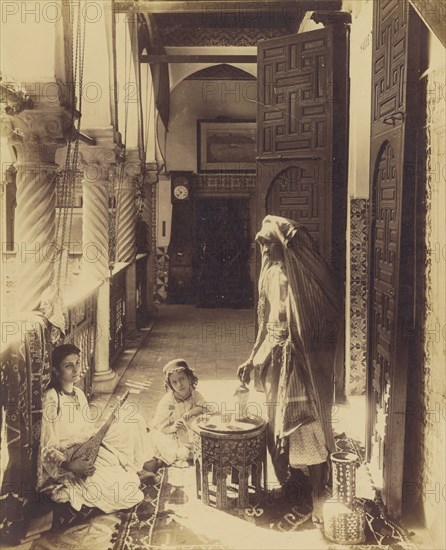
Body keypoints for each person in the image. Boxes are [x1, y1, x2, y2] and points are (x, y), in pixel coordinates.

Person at [237, 215, 344, 523]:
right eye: (260, 244)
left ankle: (316, 491)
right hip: (274, 359)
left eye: (267, 243)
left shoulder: (305, 276)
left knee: (306, 425)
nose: (262, 250)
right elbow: (264, 321)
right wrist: (252, 355)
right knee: (274, 424)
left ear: (282, 244)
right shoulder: (268, 274)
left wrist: (300, 344)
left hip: (303, 364)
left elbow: (324, 317)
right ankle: (290, 484)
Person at [37, 344, 161, 514]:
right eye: (68, 365)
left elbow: (87, 430)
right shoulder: (51, 398)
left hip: (90, 449)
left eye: (78, 363)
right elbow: (47, 447)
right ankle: (136, 473)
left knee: (132, 420)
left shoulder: (79, 394)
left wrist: (108, 423)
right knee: (124, 491)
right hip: (70, 459)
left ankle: (137, 470)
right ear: (56, 370)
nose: (75, 369)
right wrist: (71, 466)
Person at [151, 359, 206, 465]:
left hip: (193, 432)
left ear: (189, 378)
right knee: (163, 441)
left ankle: (190, 453)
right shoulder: (168, 401)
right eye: (174, 382)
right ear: (170, 385)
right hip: (175, 435)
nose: (179, 385)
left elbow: (206, 409)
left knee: (206, 443)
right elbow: (159, 424)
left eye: (182, 379)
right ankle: (182, 455)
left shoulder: (195, 395)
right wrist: (173, 427)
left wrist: (196, 410)